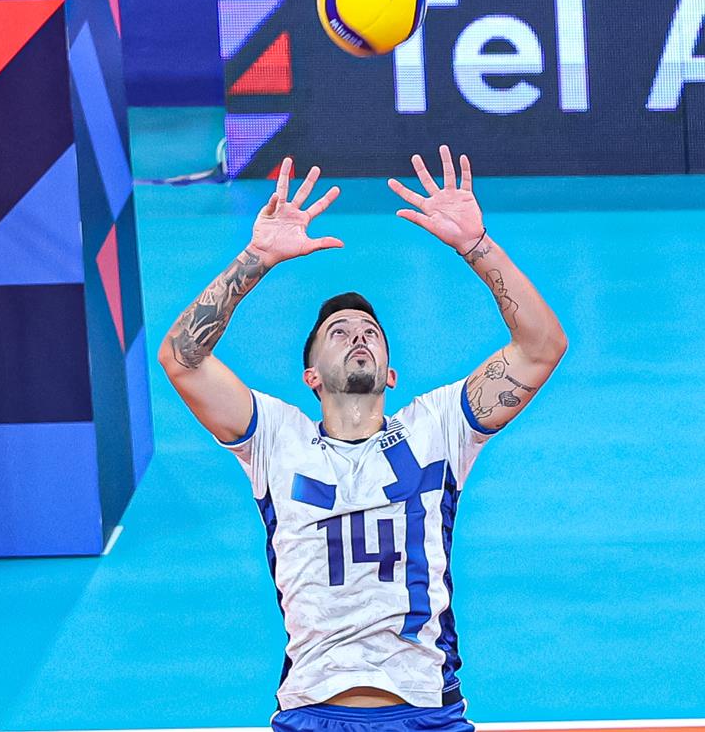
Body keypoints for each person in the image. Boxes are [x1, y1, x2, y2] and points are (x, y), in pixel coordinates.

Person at [158, 145, 567, 731]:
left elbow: (542, 347)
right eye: (338, 331)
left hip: (426, 710)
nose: (358, 337)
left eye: (371, 332)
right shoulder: (276, 438)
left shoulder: (436, 428)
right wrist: (256, 258)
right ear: (311, 376)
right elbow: (181, 358)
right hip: (311, 711)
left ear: (390, 373)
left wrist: (477, 246)